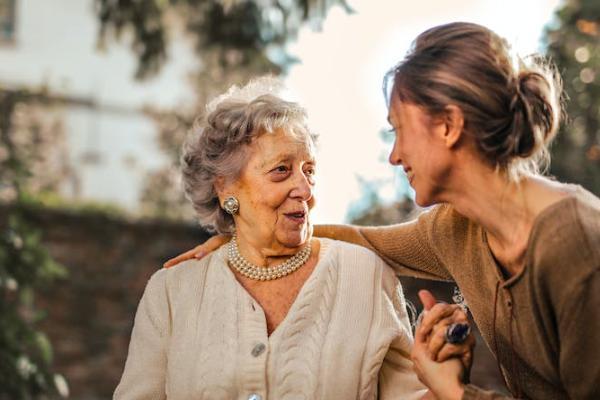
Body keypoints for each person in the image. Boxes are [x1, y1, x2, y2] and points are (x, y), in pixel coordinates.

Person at [165, 23, 600, 400]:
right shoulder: (456, 230)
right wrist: (245, 231)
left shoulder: (576, 245)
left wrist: (452, 390)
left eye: (399, 130)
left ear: (448, 126)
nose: (394, 156)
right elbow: (362, 240)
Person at [115, 78, 468, 399]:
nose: (304, 189)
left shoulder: (365, 275)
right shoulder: (172, 292)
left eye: (309, 171)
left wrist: (445, 381)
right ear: (225, 189)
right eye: (281, 170)